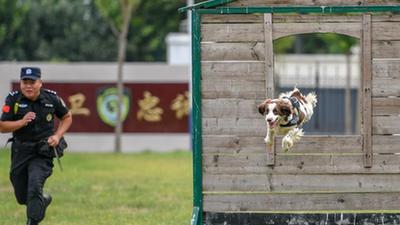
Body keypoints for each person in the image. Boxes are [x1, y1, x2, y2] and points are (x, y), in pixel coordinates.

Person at [0, 67, 72, 225]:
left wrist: (57, 136)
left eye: (32, 82)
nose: (28, 86)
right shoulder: (13, 100)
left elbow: (66, 117)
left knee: (34, 186)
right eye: (25, 82)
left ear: (40, 83)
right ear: (20, 83)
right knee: (21, 196)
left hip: (42, 151)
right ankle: (43, 200)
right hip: (20, 150)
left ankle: (32, 221)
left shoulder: (51, 98)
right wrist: (22, 122)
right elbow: (2, 126)